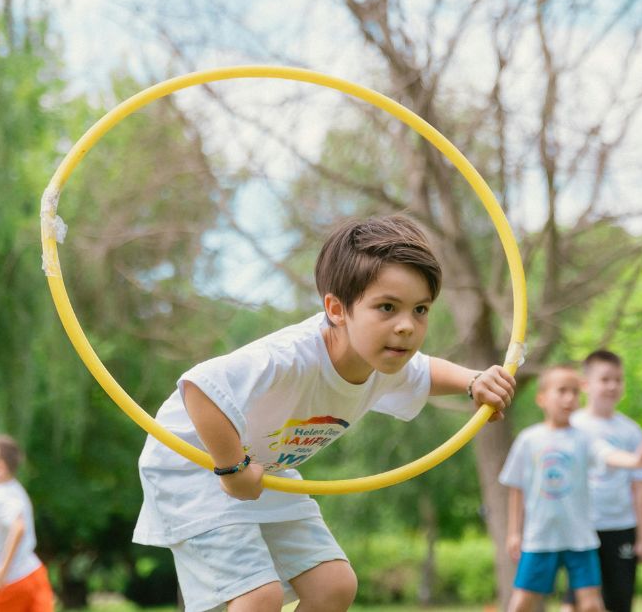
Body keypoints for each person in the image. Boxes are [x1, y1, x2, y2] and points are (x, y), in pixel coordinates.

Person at [131, 215, 517, 611]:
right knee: (257, 598)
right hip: (194, 466)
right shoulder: (289, 358)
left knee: (333, 586)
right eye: (387, 307)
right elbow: (200, 388)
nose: (406, 326)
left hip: (263, 470)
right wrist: (231, 469)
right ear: (336, 309)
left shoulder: (383, 359)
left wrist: (473, 381)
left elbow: (427, 370)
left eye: (420, 310)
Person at [501, 365, 642, 612]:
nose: (569, 398)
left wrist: (636, 461)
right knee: (522, 603)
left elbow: (609, 455)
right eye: (562, 391)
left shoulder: (584, 438)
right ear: (542, 398)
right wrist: (514, 532)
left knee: (591, 604)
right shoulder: (529, 439)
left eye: (574, 392)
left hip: (579, 538)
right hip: (540, 537)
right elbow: (516, 487)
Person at [560, 350, 642, 612]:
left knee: (619, 602)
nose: (612, 385)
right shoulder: (573, 425)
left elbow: (639, 487)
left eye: (618, 379)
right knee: (575, 602)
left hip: (622, 527)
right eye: (605, 379)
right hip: (583, 529)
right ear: (585, 384)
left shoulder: (631, 430)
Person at [0, 436, 55, 611]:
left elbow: (18, 527)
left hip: (8, 583)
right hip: (33, 573)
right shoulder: (15, 489)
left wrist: (3, 569)